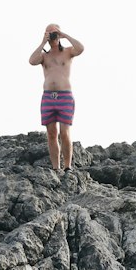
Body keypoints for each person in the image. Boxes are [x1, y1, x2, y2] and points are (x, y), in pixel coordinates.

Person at [29, 22, 84, 170]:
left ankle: (67, 167)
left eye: (55, 32)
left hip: (65, 96)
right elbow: (31, 61)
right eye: (49, 33)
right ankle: (55, 168)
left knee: (64, 133)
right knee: (51, 134)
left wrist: (65, 35)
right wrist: (42, 42)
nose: (53, 35)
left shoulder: (68, 52)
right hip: (48, 98)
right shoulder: (44, 56)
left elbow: (81, 48)